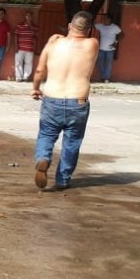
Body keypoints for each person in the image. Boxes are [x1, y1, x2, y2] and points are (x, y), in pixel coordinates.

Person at [31, 11, 99, 191]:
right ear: (89, 29)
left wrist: (35, 88)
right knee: (72, 141)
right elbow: (89, 38)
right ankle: (62, 180)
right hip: (78, 101)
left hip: (52, 97)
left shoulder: (53, 44)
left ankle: (43, 158)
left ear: (70, 26)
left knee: (46, 134)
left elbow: (39, 71)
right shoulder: (93, 44)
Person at [93, 14, 123, 83]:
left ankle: (106, 78)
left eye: (106, 19)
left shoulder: (115, 27)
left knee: (108, 64)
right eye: (104, 19)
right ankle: (103, 76)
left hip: (110, 49)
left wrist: (116, 42)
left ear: (110, 20)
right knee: (99, 63)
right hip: (101, 48)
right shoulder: (101, 26)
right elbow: (92, 26)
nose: (104, 20)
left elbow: (122, 34)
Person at [12, 11, 38, 82]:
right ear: (25, 17)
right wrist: (16, 46)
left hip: (30, 48)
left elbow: (35, 38)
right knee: (18, 63)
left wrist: (34, 48)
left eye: (30, 16)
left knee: (28, 63)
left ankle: (26, 77)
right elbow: (16, 36)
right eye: (27, 16)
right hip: (20, 48)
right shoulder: (20, 25)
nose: (28, 17)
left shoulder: (35, 27)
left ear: (32, 17)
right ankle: (19, 77)